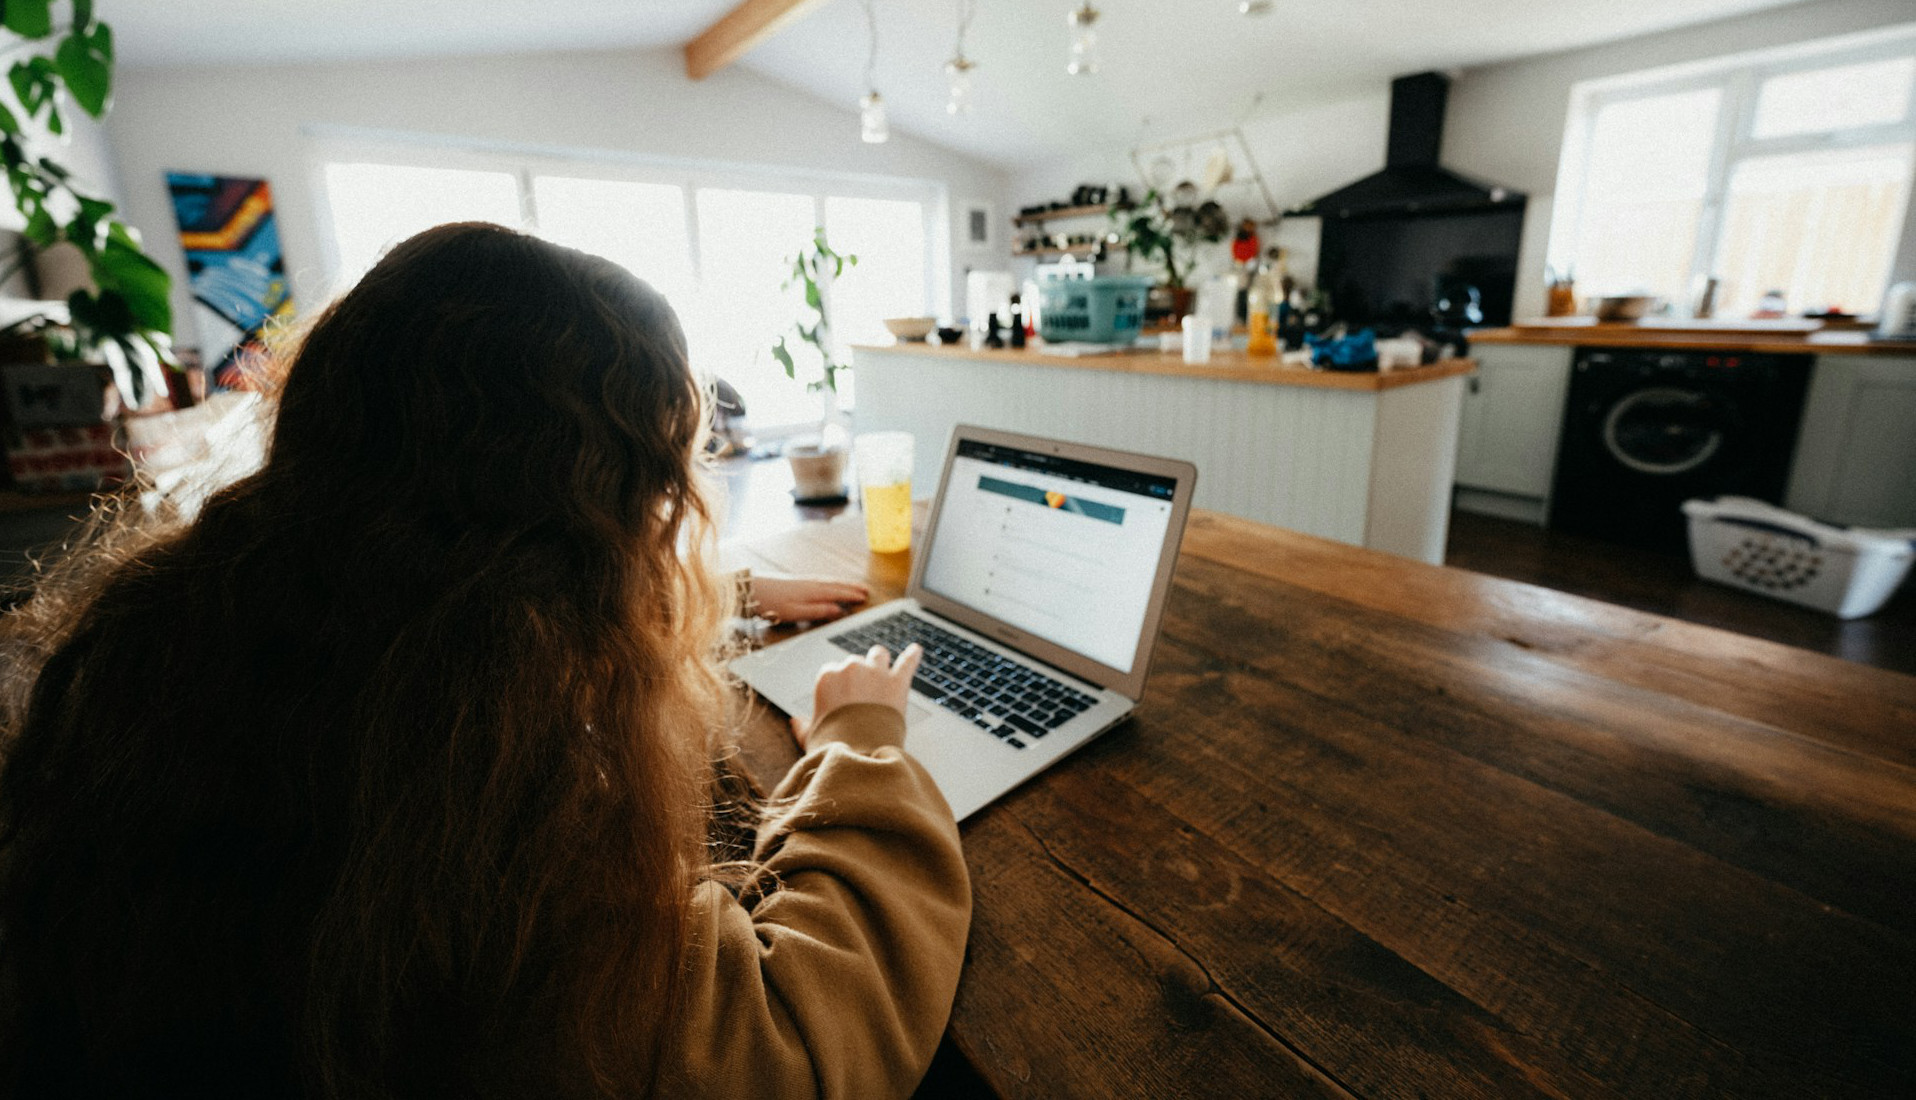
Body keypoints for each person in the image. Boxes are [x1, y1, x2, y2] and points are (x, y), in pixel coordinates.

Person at [0, 223, 970, 1098]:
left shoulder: (185, 638)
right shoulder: (480, 811)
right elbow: (792, 1043)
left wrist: (726, 597)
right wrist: (859, 743)